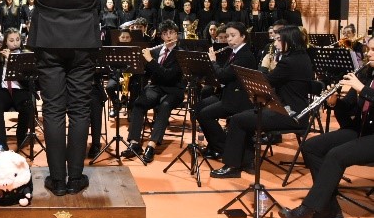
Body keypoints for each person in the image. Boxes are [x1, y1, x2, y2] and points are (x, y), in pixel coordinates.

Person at [2, 0, 123, 196]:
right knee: (80, 109)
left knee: (54, 110)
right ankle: (75, 178)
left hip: (48, 42)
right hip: (82, 42)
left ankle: (56, 180)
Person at [279, 38, 374, 218]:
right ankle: (329, 209)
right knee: (311, 146)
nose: (368, 53)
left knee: (336, 155)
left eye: (373, 50)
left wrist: (362, 90)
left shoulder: (363, 81)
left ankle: (305, 212)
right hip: (361, 130)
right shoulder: (366, 73)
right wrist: (334, 102)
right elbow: (349, 108)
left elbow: (365, 95)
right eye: (368, 49)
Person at [211, 25, 314, 178]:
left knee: (237, 120)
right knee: (245, 118)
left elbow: (265, 82)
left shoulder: (289, 62)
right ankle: (247, 161)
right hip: (297, 110)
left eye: (279, 40)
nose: (275, 43)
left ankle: (232, 166)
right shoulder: (303, 57)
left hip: (290, 114)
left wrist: (265, 65)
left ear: (290, 41)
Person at [120, 20, 184, 163]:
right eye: (165, 33)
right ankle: (134, 143)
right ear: (161, 36)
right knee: (138, 104)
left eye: (172, 33)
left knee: (164, 106)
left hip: (173, 89)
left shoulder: (180, 54)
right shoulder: (155, 51)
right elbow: (147, 72)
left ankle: (152, 145)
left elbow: (168, 75)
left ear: (176, 35)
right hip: (156, 87)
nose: (168, 36)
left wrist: (150, 61)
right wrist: (139, 63)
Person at [195, 22, 257, 159]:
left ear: (243, 37)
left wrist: (212, 61)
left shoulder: (245, 55)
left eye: (233, 35)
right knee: (198, 108)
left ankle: (223, 147)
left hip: (239, 100)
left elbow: (223, 76)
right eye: (228, 36)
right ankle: (214, 145)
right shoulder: (235, 52)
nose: (229, 39)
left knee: (205, 115)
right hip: (229, 95)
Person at [0, 28, 35, 152]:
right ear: (6, 42)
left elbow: (27, 78)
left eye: (17, 40)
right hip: (1, 90)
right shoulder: (0, 54)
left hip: (20, 89)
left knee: (27, 107)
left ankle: (22, 138)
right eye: (11, 40)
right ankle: (1, 145)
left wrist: (12, 60)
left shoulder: (25, 54)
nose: (15, 43)